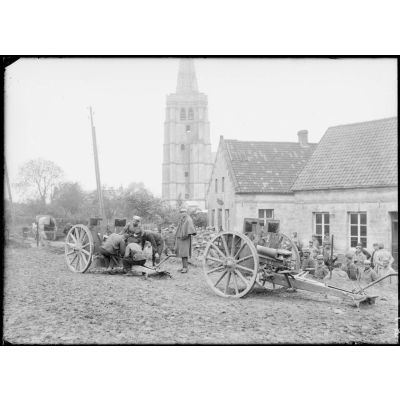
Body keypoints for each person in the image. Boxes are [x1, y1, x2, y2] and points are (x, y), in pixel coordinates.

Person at [175, 208, 196, 273]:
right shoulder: (183, 219)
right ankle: (184, 267)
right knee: (182, 254)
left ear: (186, 212)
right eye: (181, 212)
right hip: (181, 238)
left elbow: (191, 230)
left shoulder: (188, 219)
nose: (182, 213)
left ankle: (185, 268)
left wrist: (185, 236)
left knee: (184, 253)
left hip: (185, 238)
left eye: (183, 212)